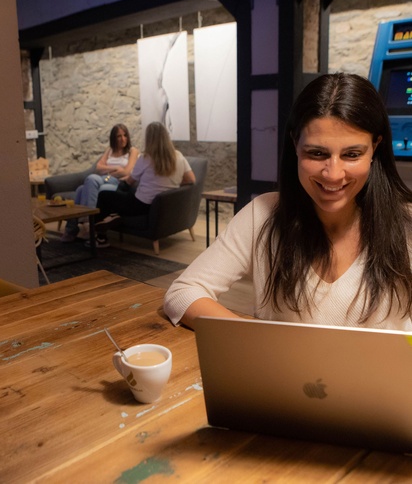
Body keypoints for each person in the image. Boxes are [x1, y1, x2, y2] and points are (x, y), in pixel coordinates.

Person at [164, 73, 412, 331]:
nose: (333, 173)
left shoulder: (406, 225)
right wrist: (254, 341)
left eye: (352, 154)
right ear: (295, 144)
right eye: (317, 153)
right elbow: (183, 293)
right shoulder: (262, 215)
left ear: (375, 148)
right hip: (281, 372)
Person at [89, 121, 196, 247]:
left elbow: (129, 182)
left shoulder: (146, 158)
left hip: (140, 205)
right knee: (122, 193)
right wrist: (174, 182)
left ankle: (98, 234)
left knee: (105, 195)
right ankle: (113, 217)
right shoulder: (178, 156)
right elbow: (191, 180)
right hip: (163, 204)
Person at [60, 124, 139, 242]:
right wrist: (116, 168)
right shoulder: (110, 150)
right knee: (81, 189)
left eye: (125, 135)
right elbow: (98, 167)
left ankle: (84, 223)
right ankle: (75, 228)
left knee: (91, 179)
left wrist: (110, 170)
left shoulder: (132, 151)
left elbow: (127, 171)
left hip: (118, 183)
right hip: (105, 179)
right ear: (113, 138)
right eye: (119, 136)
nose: (123, 139)